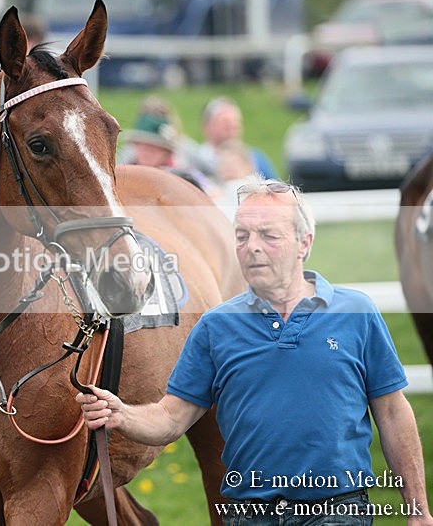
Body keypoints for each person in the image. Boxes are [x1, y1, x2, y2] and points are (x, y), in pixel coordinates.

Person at [77, 180, 433, 525]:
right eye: (242, 236)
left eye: (269, 235)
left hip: (337, 510)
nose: (252, 247)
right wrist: (120, 413)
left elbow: (392, 413)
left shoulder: (356, 313)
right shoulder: (215, 327)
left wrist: (417, 510)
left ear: (303, 243)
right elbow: (171, 418)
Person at [197, 96, 279, 181]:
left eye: (235, 122)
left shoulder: (256, 158)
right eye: (225, 122)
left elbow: (276, 188)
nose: (231, 127)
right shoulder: (198, 160)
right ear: (207, 127)